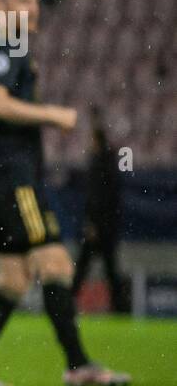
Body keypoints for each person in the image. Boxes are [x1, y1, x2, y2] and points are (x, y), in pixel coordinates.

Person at [0, 0, 129, 386]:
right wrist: (52, 115)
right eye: (23, 1)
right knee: (55, 263)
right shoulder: (5, 42)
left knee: (14, 277)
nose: (34, 9)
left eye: (35, 1)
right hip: (13, 176)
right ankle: (78, 364)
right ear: (0, 7)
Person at [71, 108, 126, 312]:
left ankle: (67, 303)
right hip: (109, 226)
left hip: (99, 225)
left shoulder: (97, 165)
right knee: (109, 268)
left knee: (84, 266)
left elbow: (96, 198)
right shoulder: (110, 163)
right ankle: (120, 306)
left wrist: (92, 223)